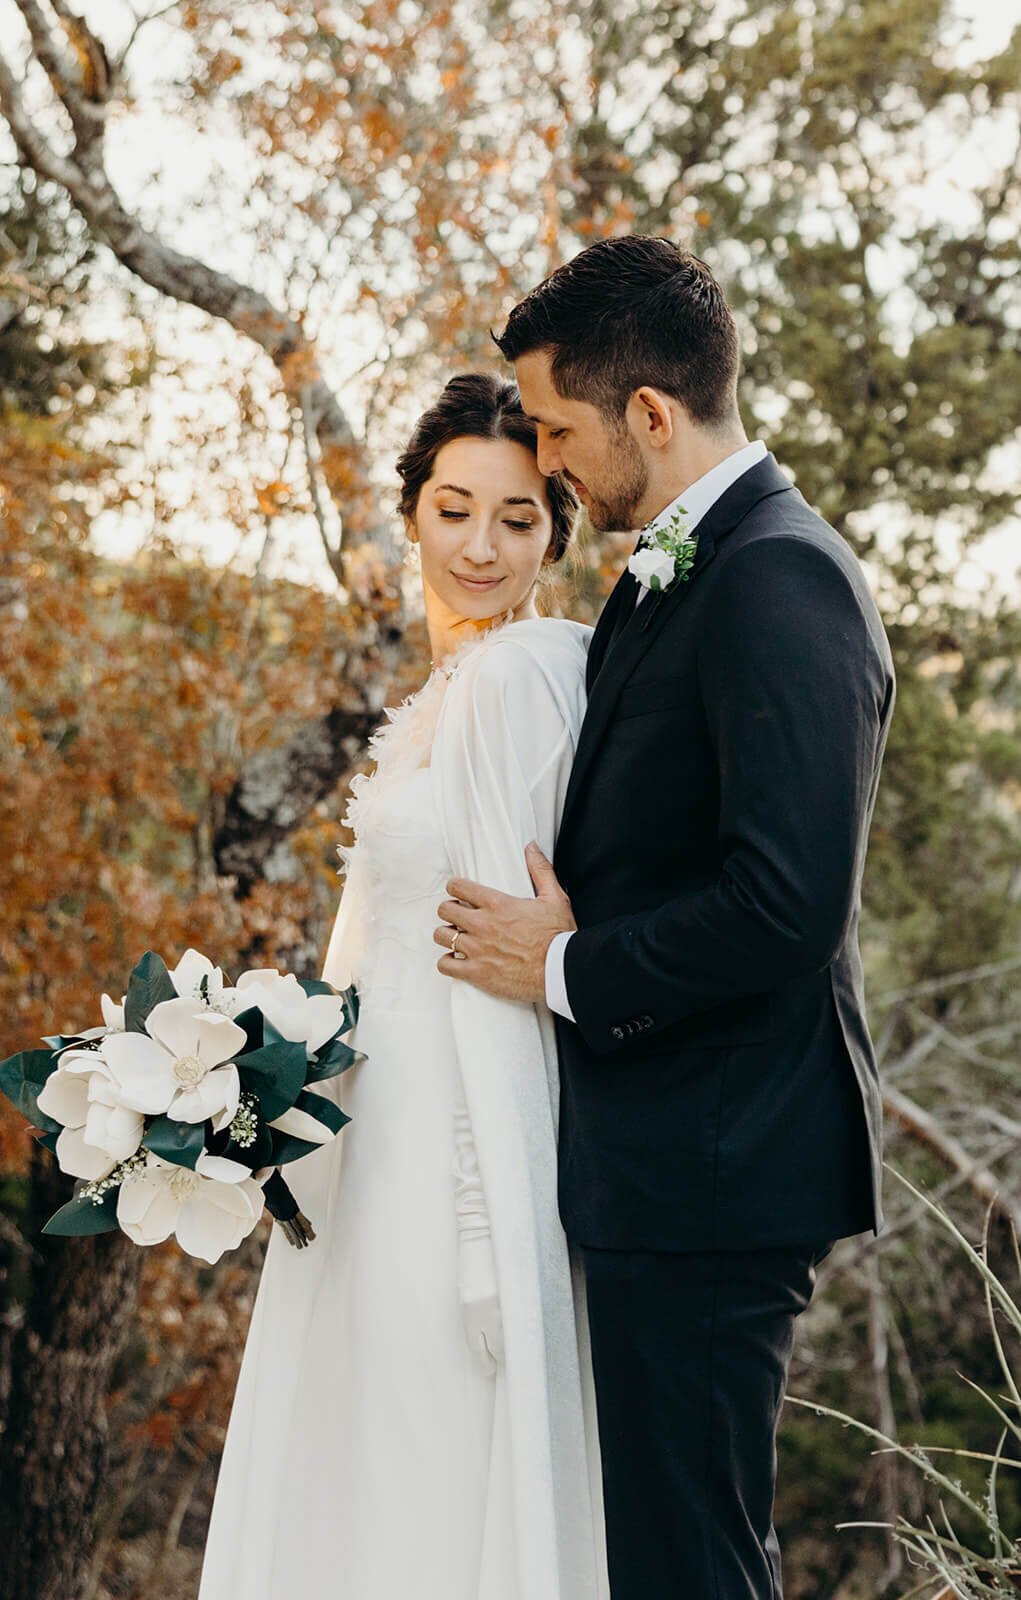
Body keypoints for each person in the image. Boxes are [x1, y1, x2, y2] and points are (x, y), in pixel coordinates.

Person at [434, 235, 897, 1600]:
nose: (552, 464)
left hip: (719, 1160)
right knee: (656, 1550)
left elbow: (786, 903)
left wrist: (566, 964)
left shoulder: (776, 575)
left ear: (647, 413)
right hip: (659, 1152)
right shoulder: (674, 569)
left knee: (690, 1563)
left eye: (561, 430)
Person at [198, 372, 609, 1600]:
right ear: (410, 513)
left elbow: (503, 970)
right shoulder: (442, 690)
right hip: (365, 1147)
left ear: (556, 531)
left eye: (518, 517)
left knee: (424, 1460)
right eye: (452, 508)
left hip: (449, 1167)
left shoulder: (520, 678)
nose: (480, 546)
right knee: (355, 1463)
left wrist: (491, 1240)